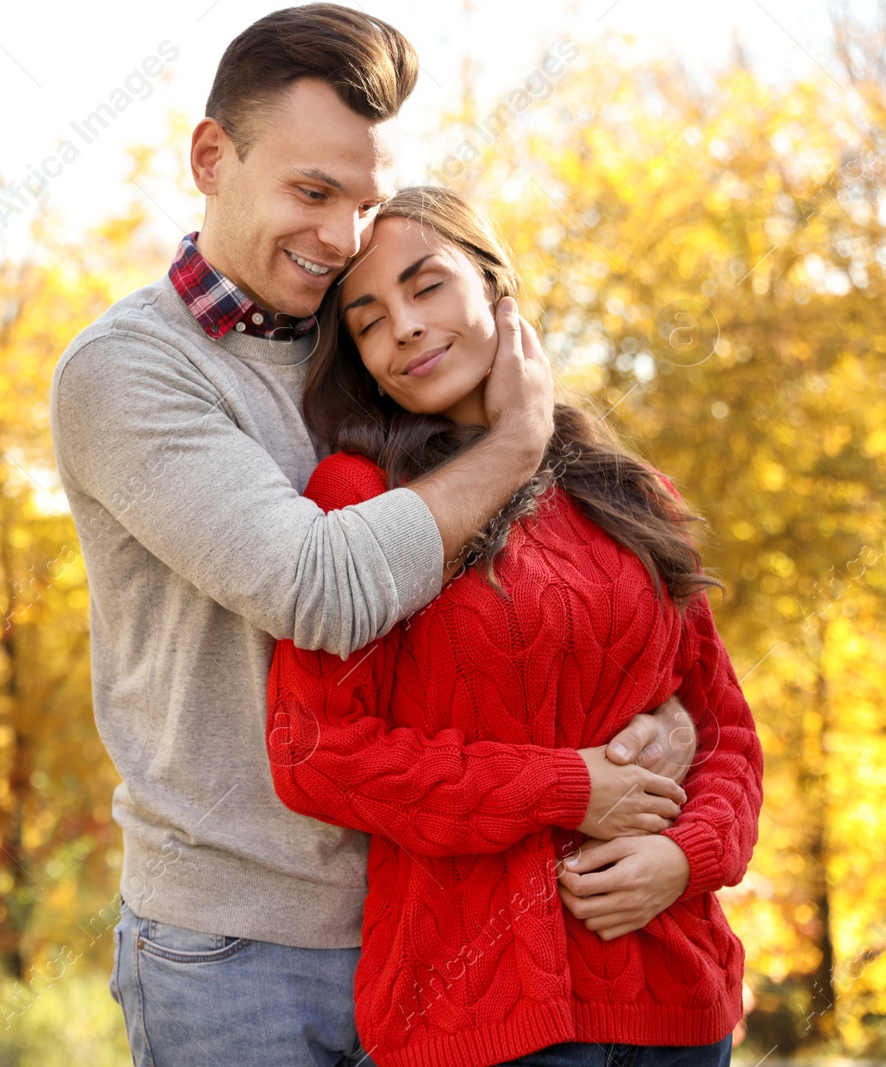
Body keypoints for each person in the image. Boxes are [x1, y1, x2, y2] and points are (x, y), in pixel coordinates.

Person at [49, 6, 698, 1064]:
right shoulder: (129, 373)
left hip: (446, 919)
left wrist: (654, 719)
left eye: (367, 200)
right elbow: (322, 587)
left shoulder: (376, 350)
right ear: (211, 157)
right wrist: (517, 440)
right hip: (239, 948)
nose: (342, 237)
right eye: (311, 191)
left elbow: (522, 608)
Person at [267, 186, 763, 1067]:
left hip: (678, 996)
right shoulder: (360, 498)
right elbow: (317, 754)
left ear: (496, 289)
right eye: (370, 319)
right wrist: (567, 787)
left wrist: (686, 857)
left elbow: (723, 725)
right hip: (481, 1016)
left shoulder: (633, 494)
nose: (406, 328)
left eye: (427, 287)